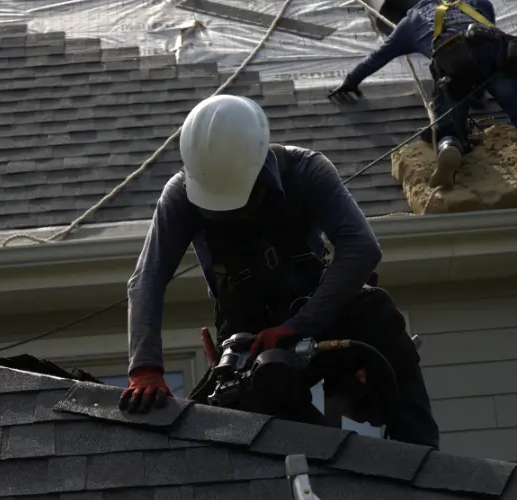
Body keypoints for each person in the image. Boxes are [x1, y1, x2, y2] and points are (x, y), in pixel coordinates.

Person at [119, 93, 440, 449]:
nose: (231, 215)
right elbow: (146, 278)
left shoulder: (306, 171)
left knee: (378, 314)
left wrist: (295, 327)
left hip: (321, 312)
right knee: (262, 427)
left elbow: (362, 249)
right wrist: (145, 368)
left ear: (259, 166)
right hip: (249, 336)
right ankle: (332, 469)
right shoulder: (180, 196)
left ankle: (424, 463)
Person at [328, 0, 517, 204]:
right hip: (498, 59)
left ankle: (450, 144)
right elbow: (490, 33)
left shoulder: (411, 21)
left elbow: (377, 57)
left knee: (448, 117)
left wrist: (350, 81)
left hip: (455, 63)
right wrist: (480, 94)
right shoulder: (476, 2)